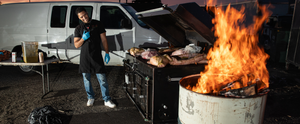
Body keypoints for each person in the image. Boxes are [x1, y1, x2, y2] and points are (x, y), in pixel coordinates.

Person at [73, 7, 116, 108]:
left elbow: (104, 40)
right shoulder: (78, 28)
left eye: (85, 15)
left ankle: (106, 99)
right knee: (86, 79)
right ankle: (90, 97)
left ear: (87, 13)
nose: (84, 18)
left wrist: (107, 52)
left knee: (102, 79)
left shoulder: (98, 24)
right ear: (79, 18)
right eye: (81, 17)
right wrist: (83, 39)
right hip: (84, 57)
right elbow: (76, 45)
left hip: (96, 55)